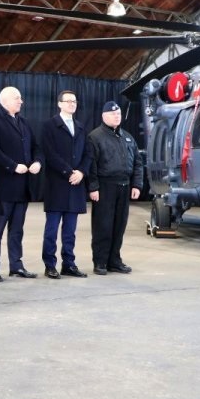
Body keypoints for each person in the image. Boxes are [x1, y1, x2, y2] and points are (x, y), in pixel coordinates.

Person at [0, 86, 43, 282]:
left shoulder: (24, 123)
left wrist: (37, 162)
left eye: (20, 98)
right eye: (17, 98)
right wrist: (12, 166)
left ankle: (16, 266)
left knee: (17, 230)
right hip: (3, 187)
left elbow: (36, 147)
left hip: (22, 187)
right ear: (4, 100)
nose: (21, 101)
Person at [86, 101, 143, 275]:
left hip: (124, 186)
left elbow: (138, 162)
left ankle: (114, 261)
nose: (116, 116)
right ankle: (100, 261)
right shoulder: (95, 137)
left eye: (118, 114)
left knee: (119, 225)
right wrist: (93, 187)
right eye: (112, 114)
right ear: (104, 116)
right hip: (105, 186)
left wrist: (137, 184)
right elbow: (91, 165)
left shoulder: (127, 137)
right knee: (103, 225)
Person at [41, 90, 92, 279]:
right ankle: (49, 265)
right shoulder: (50, 126)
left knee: (70, 231)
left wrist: (81, 172)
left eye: (74, 101)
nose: (72, 104)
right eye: (68, 101)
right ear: (59, 104)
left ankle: (68, 264)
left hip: (76, 185)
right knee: (52, 230)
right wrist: (69, 171)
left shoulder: (80, 127)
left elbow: (88, 153)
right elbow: (49, 153)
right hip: (57, 184)